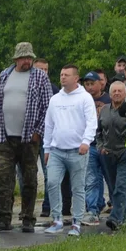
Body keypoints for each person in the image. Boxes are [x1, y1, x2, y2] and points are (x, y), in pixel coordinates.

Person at [0, 42, 54, 233]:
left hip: (29, 138)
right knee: (2, 178)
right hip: (5, 136)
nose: (27, 61)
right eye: (24, 58)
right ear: (16, 59)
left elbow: (47, 108)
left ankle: (27, 218)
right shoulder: (5, 75)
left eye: (30, 58)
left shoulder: (40, 77)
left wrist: (38, 132)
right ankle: (3, 217)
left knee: (29, 179)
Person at [43, 65, 97, 236]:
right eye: (61, 74)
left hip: (77, 151)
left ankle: (76, 222)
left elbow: (91, 122)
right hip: (57, 150)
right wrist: (46, 148)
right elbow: (49, 125)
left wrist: (86, 141)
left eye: (66, 75)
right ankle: (57, 219)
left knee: (78, 187)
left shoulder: (85, 98)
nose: (63, 77)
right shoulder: (55, 99)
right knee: (52, 183)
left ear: (76, 78)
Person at [98, 81, 126, 230]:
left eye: (120, 91)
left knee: (121, 186)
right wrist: (101, 147)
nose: (117, 93)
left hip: (125, 154)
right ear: (110, 93)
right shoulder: (104, 109)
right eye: (114, 91)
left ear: (125, 94)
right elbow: (98, 132)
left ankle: (115, 218)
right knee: (114, 188)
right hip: (108, 154)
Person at [81, 71, 110, 224]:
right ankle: (92, 210)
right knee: (91, 179)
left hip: (108, 145)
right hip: (91, 144)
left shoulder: (109, 98)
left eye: (92, 83)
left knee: (110, 179)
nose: (90, 87)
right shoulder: (82, 99)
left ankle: (120, 210)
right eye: (87, 84)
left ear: (101, 83)